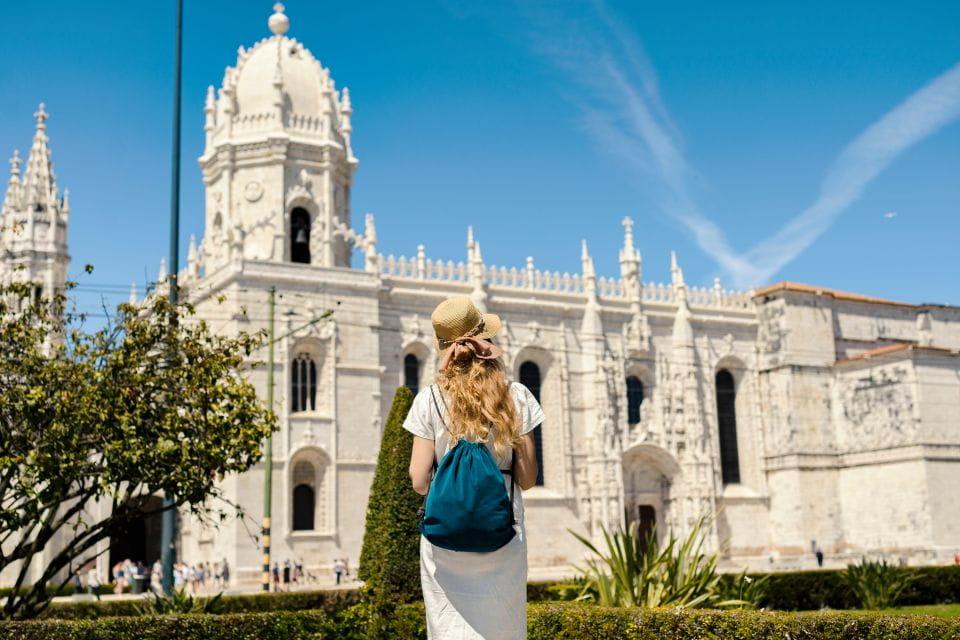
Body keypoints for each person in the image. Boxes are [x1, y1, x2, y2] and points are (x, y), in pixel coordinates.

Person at [404, 296, 542, 639]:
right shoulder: (517, 397)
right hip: (503, 532)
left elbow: (419, 481)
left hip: (444, 541)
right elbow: (526, 479)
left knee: (448, 628)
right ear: (486, 341)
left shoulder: (429, 400)